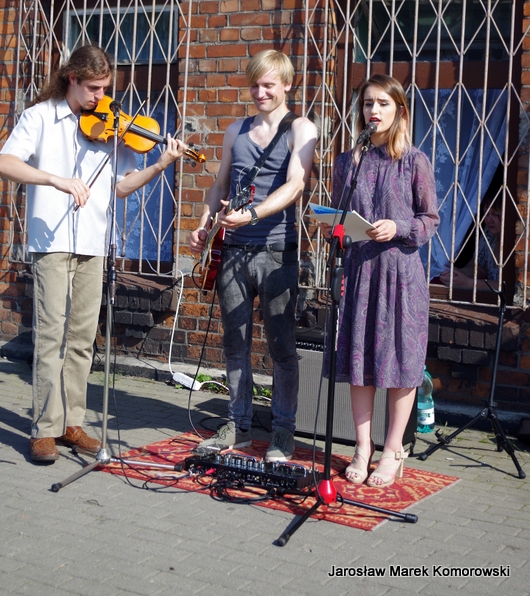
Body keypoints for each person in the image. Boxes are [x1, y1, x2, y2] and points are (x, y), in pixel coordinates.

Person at [0, 45, 185, 463]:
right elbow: (6, 162)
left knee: (83, 338)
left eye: (105, 88)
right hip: (51, 242)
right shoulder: (40, 117)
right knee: (51, 335)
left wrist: (160, 164)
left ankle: (72, 423)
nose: (102, 97)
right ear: (72, 79)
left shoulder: (108, 124)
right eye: (94, 89)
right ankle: (44, 429)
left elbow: (120, 186)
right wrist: (56, 180)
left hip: (94, 241)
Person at [189, 49, 318, 462]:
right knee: (235, 343)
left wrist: (253, 215)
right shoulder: (235, 130)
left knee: (281, 345)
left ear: (287, 85)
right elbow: (219, 184)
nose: (261, 92)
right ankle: (238, 425)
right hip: (233, 251)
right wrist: (205, 223)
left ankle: (283, 431)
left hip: (277, 252)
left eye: (269, 85)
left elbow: (296, 185)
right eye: (255, 85)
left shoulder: (301, 128)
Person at [319, 74, 439, 487]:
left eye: (383, 103)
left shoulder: (414, 161)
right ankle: (361, 447)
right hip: (359, 273)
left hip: (400, 275)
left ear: (399, 111)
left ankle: (393, 450)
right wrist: (336, 228)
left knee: (400, 361)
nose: (374, 110)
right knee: (360, 359)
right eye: (368, 103)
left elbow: (430, 219)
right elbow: (338, 217)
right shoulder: (347, 163)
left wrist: (398, 226)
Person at [439, 197, 502, 291]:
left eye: (495, 214)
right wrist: (458, 273)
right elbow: (479, 267)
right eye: (486, 213)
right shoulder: (489, 235)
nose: (489, 220)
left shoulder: (517, 243)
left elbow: (509, 286)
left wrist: (468, 283)